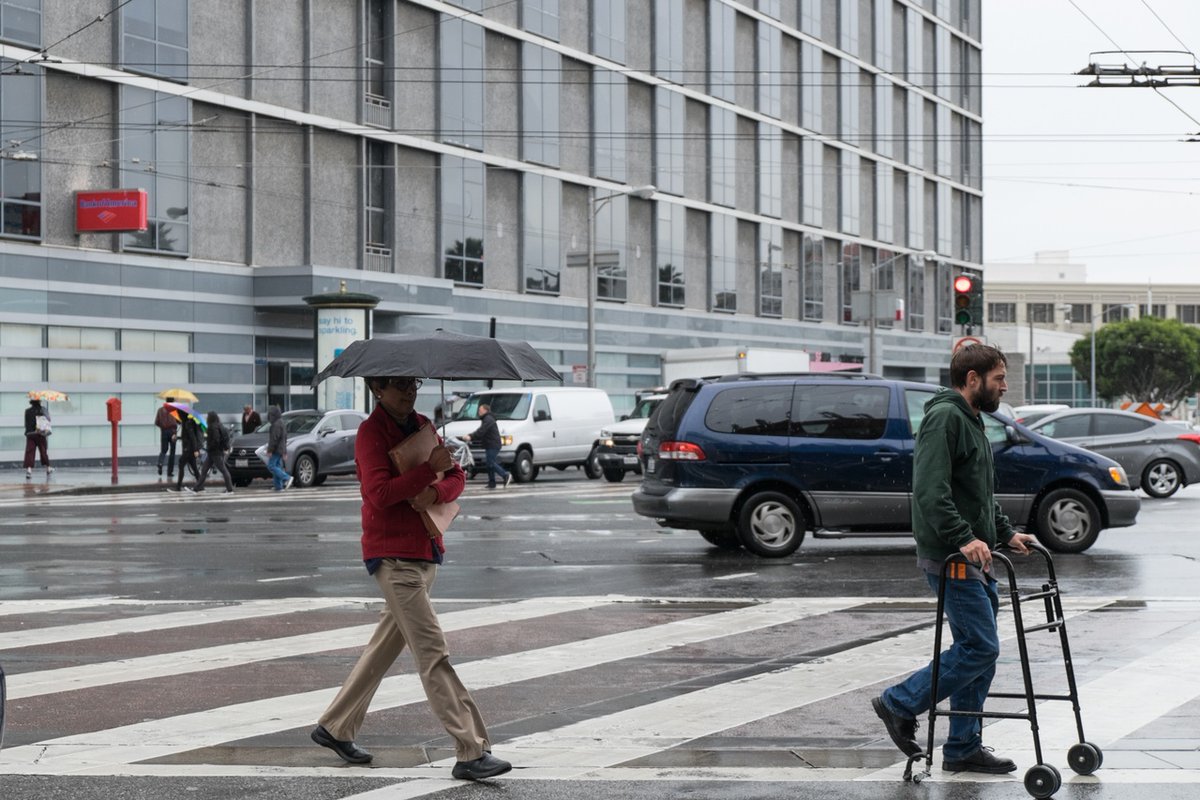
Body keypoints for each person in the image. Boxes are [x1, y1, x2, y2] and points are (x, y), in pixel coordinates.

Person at [311, 375, 511, 781]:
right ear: (377, 390)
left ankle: (334, 727)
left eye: (413, 384)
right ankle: (471, 750)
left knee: (385, 648)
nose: (409, 391)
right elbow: (378, 494)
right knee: (433, 652)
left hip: (425, 552)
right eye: (400, 385)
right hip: (394, 558)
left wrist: (436, 491)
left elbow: (455, 476)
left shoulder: (422, 425)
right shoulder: (371, 433)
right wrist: (424, 476)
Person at [872, 344, 1037, 774]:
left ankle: (963, 745)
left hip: (975, 555)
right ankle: (898, 702)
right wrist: (963, 538)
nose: (1005, 386)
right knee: (980, 647)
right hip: (952, 556)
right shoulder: (945, 418)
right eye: (999, 378)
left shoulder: (971, 419)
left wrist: (1006, 533)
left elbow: (976, 495)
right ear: (972, 379)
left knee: (978, 650)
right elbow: (930, 491)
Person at [462, 403, 510, 489]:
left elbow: (481, 431)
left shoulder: (488, 419)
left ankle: (505, 474)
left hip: (493, 444)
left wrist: (471, 436)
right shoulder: (487, 419)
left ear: (485, 410)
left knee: (491, 463)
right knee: (489, 464)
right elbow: (482, 432)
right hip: (490, 444)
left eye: (480, 410)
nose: (478, 412)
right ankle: (492, 483)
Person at [194, 411, 234, 494]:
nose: (206, 418)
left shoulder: (213, 427)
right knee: (204, 470)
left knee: (223, 470)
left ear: (210, 418)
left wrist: (210, 447)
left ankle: (230, 489)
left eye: (208, 416)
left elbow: (216, 439)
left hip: (215, 453)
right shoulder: (219, 425)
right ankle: (197, 488)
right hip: (213, 453)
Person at [265, 405, 293, 491]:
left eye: (270, 415)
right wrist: (284, 451)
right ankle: (278, 486)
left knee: (271, 466)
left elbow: (274, 439)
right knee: (277, 466)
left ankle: (287, 478)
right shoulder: (281, 422)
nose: (269, 417)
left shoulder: (275, 424)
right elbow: (284, 437)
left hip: (276, 449)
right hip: (280, 448)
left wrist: (270, 450)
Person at [23, 398, 52, 479]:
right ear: (39, 402)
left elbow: (26, 423)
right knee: (43, 451)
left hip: (30, 434)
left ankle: (29, 471)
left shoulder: (27, 411)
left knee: (30, 452)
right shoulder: (43, 410)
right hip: (40, 433)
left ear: (31, 403)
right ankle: (48, 468)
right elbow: (49, 420)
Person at [174, 414, 203, 491]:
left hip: (189, 448)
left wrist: (195, 450)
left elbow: (192, 437)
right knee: (194, 468)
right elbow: (185, 437)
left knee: (181, 463)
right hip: (189, 448)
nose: (178, 419)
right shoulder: (187, 423)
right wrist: (177, 437)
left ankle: (178, 487)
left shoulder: (188, 424)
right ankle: (201, 486)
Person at [155, 398, 179, 478]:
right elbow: (179, 421)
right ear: (172, 402)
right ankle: (170, 472)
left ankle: (160, 463)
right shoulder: (174, 410)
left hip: (164, 432)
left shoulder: (160, 410)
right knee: (172, 452)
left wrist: (163, 427)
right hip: (173, 432)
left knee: (164, 450)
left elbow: (157, 422)